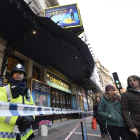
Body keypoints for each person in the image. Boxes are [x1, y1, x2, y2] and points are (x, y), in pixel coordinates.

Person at [0, 63, 35, 140]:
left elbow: (33, 108)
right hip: (8, 135)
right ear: (12, 75)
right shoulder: (3, 89)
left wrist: (31, 118)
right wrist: (20, 119)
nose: (18, 74)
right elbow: (1, 110)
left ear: (24, 76)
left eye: (20, 73)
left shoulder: (27, 92)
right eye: (15, 72)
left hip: (25, 135)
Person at [121, 75, 140, 139]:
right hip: (137, 126)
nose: (132, 82)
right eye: (130, 81)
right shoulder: (125, 95)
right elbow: (124, 111)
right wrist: (131, 126)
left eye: (134, 80)